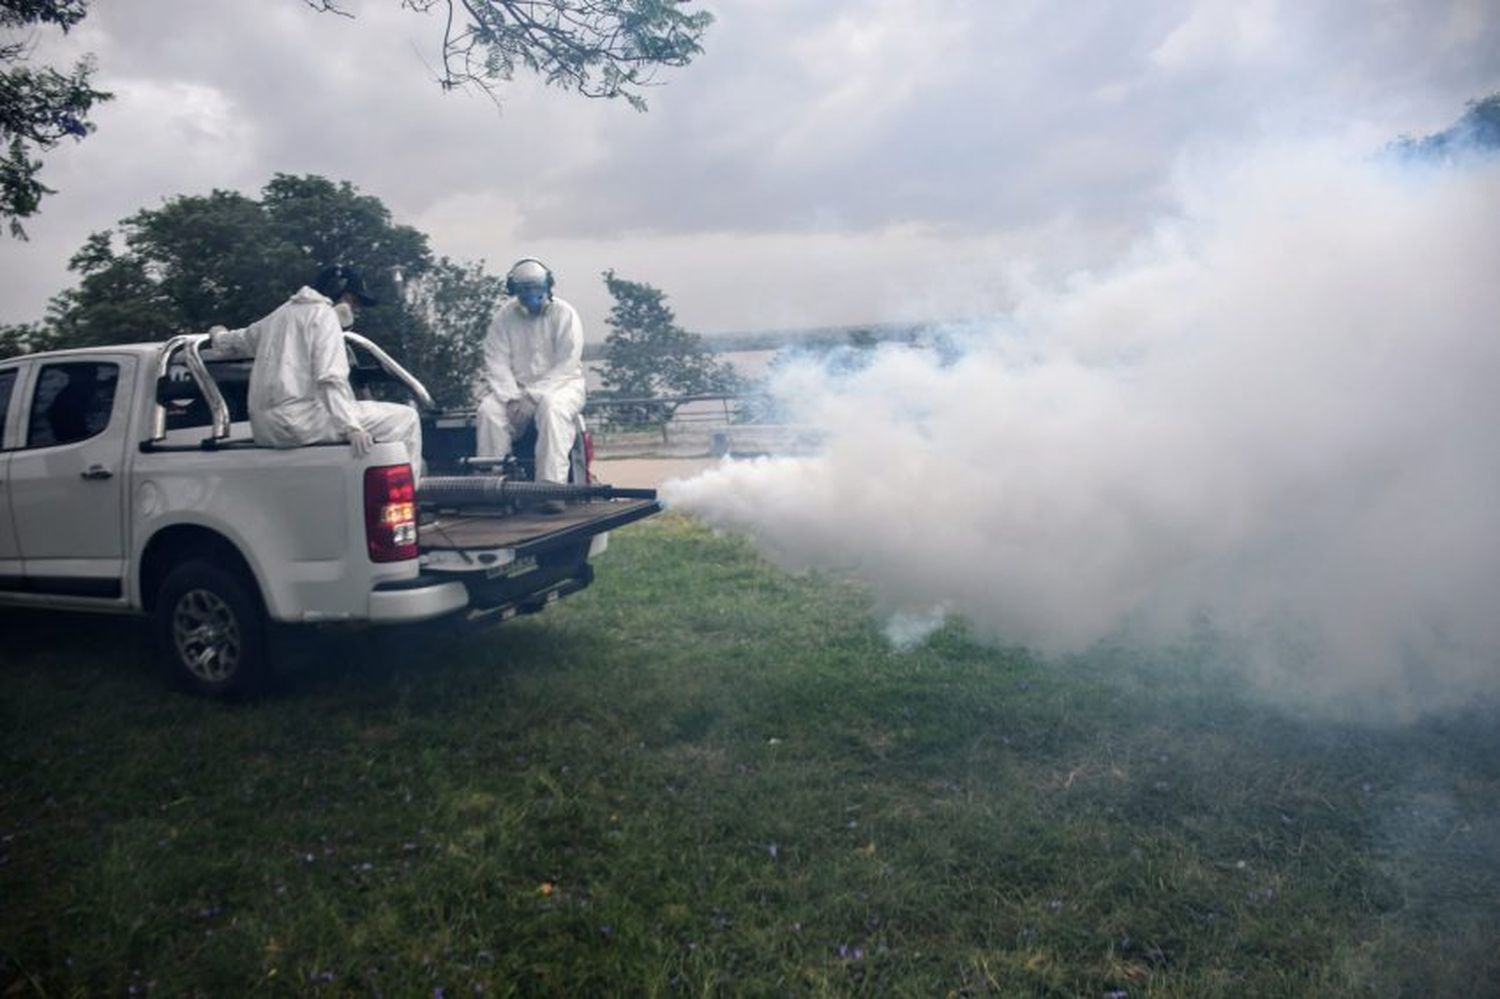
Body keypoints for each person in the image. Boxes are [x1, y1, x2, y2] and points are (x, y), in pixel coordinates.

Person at [210, 265, 423, 480]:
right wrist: (351, 427)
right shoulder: (324, 316)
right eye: (356, 303)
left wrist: (218, 334)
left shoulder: (277, 317)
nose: (357, 311)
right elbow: (330, 378)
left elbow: (235, 342)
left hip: (265, 427)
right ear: (344, 297)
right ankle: (408, 495)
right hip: (300, 422)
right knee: (406, 418)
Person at [475, 258, 586, 506]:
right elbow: (496, 361)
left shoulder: (565, 314)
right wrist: (512, 398)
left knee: (552, 409)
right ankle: (492, 488)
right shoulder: (503, 318)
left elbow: (566, 364)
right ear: (514, 290)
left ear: (548, 286)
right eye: (524, 289)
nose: (531, 294)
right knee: (488, 412)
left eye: (535, 287)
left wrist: (533, 397)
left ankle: (550, 490)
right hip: (514, 390)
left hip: (563, 386)